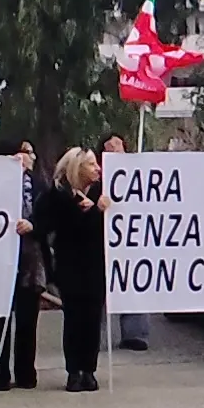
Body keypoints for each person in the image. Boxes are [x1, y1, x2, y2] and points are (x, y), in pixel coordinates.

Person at [35, 148, 111, 392]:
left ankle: (90, 369)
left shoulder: (102, 193)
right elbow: (54, 225)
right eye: (91, 164)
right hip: (70, 266)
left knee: (92, 319)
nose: (97, 168)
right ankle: (74, 371)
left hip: (96, 265)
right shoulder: (58, 196)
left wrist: (102, 210)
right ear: (77, 169)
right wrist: (91, 211)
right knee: (74, 318)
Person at [0, 140, 46, 389]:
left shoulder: (39, 184)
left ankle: (25, 372)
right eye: (24, 152)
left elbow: (47, 214)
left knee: (27, 320)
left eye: (31, 153)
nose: (29, 157)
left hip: (30, 260)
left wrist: (33, 224)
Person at [101, 133, 151, 352]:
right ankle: (93, 337)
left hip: (131, 238)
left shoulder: (137, 173)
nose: (114, 148)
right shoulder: (95, 173)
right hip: (102, 239)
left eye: (118, 144)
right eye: (109, 146)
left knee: (132, 283)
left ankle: (135, 334)